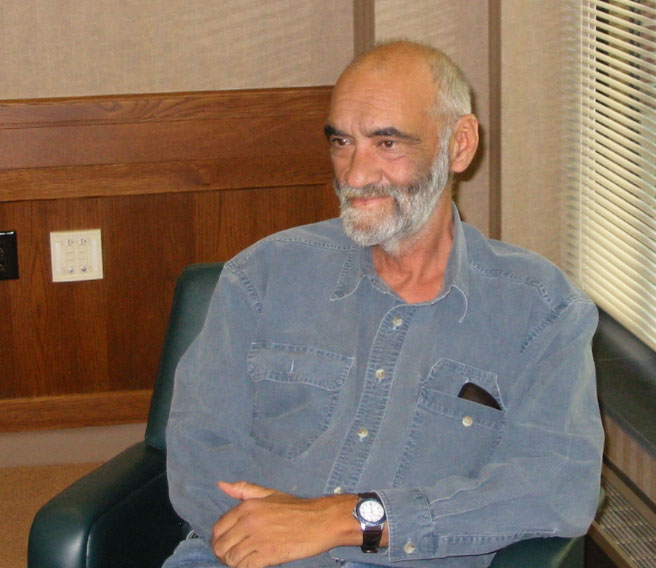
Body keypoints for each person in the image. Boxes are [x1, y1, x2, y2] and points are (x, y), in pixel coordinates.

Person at [164, 40, 604, 568]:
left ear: (459, 145)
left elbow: (557, 486)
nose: (354, 175)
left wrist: (347, 520)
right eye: (342, 142)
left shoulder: (542, 311)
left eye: (387, 143)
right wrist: (266, 537)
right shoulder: (262, 276)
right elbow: (199, 453)